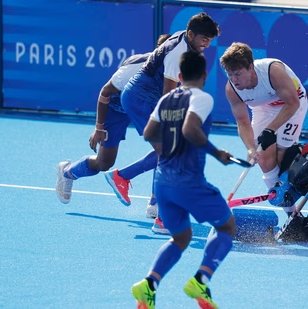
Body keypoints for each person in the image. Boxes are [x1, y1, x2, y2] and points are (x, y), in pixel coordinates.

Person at [131, 51, 236, 309]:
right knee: (226, 227)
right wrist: (218, 153)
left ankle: (149, 284)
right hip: (188, 181)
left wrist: (170, 147)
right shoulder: (202, 98)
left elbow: (148, 133)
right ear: (204, 76)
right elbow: (190, 129)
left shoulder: (166, 99)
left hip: (163, 183)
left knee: (181, 238)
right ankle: (201, 279)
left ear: (178, 76)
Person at [104, 13, 220, 221]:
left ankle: (148, 198)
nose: (207, 45)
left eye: (210, 41)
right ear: (191, 34)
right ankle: (161, 213)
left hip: (143, 96)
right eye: (204, 40)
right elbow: (167, 94)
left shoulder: (185, 39)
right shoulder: (178, 53)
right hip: (141, 98)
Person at [55, 34, 170, 204]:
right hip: (116, 109)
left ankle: (155, 202)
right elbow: (105, 92)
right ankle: (68, 172)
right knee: (104, 163)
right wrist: (99, 128)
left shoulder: (175, 71)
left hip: (145, 108)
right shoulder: (139, 67)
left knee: (165, 148)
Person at [219, 42, 308, 215]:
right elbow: (242, 122)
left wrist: (270, 130)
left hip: (292, 104)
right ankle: (292, 214)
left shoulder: (272, 71)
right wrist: (251, 148)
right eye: (229, 74)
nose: (234, 79)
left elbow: (293, 103)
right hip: (263, 109)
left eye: (237, 74)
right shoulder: (232, 89)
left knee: (282, 157)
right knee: (263, 159)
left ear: (250, 67)